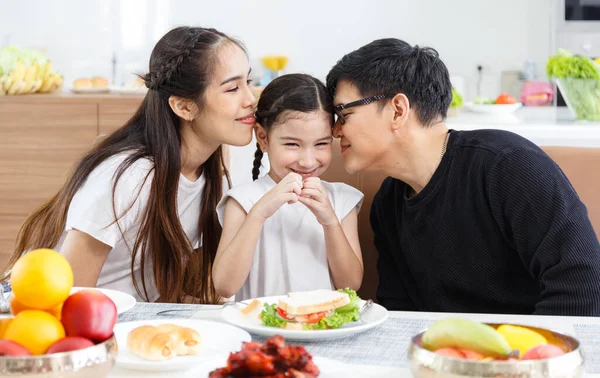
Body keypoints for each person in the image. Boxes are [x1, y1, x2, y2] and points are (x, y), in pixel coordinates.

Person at [325, 38, 600, 316]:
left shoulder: (508, 165)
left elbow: (583, 287)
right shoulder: (389, 202)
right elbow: (399, 313)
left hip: (532, 353)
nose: (336, 131)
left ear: (398, 110)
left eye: (344, 114)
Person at [4, 26, 256, 303]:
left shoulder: (210, 174)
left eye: (248, 82)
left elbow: (196, 284)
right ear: (184, 107)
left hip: (127, 319)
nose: (250, 99)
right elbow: (67, 299)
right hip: (46, 317)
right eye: (233, 88)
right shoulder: (130, 176)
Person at [213, 74, 364, 300]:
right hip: (260, 330)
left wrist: (330, 221)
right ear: (263, 138)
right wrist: (259, 213)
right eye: (292, 144)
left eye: (321, 144)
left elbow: (350, 286)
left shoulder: (342, 199)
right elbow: (225, 286)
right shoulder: (243, 201)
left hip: (322, 330)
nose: (307, 160)